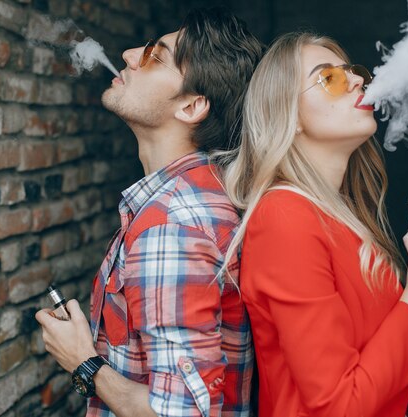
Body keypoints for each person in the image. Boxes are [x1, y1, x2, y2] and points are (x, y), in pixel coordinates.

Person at [219, 32, 408, 417]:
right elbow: (336, 405)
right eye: (330, 78)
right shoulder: (283, 218)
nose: (357, 81)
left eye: (354, 72)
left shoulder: (338, 216)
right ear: (290, 115)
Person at [35, 7, 263, 417]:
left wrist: (84, 362)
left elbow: (179, 414)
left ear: (192, 107)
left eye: (156, 58)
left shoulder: (173, 225)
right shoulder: (199, 197)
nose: (127, 54)